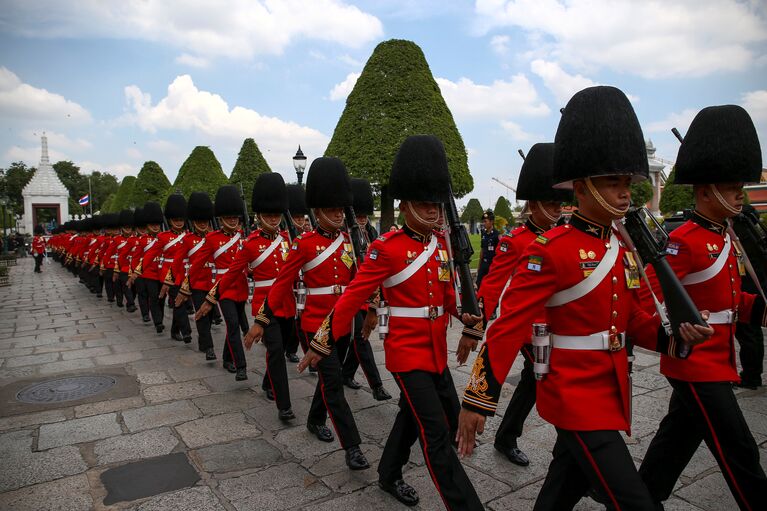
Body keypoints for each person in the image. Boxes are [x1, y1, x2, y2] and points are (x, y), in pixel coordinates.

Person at [456, 86, 713, 511]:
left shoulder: (623, 245)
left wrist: (675, 338)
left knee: (561, 487)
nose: (626, 192)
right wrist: (479, 397)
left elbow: (632, 321)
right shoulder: (551, 249)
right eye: (612, 182)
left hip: (609, 390)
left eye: (626, 182)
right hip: (573, 395)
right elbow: (508, 324)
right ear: (582, 187)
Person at [299, 136, 485, 509]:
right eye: (424, 205)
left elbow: (447, 297)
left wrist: (465, 320)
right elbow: (352, 296)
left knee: (414, 416)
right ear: (404, 205)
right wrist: (322, 342)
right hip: (406, 354)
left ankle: (388, 473)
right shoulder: (386, 248)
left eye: (436, 205)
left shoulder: (441, 245)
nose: (433, 212)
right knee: (435, 434)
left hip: (435, 353)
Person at [637, 105, 767, 511]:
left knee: (677, 436)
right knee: (740, 449)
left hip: (715, 359)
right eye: (732, 189)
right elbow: (651, 297)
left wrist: (760, 312)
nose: (739, 195)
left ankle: (637, 497)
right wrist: (677, 328)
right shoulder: (685, 239)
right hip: (694, 361)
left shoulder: (726, 235)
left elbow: (728, 301)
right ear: (707, 191)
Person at [245, 157, 370, 472]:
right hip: (315, 325)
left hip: (344, 322)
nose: (339, 214)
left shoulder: (351, 242)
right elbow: (279, 286)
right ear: (318, 211)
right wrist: (261, 319)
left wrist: (368, 311)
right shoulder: (303, 244)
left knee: (331, 380)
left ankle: (315, 420)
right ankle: (352, 446)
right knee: (334, 383)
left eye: (341, 209)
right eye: (332, 210)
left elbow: (361, 281)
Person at [458, 142, 572, 468]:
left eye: (558, 203)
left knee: (533, 383)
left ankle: (507, 436)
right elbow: (492, 286)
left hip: (557, 328)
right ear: (534, 205)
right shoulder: (515, 240)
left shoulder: (565, 236)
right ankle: (524, 442)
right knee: (546, 380)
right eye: (550, 203)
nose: (557, 209)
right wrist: (474, 327)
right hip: (526, 329)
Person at [206, 173, 296, 421]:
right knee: (275, 350)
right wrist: (210, 299)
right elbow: (231, 275)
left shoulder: (288, 240)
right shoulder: (250, 244)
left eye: (276, 215)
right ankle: (284, 405)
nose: (273, 219)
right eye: (268, 215)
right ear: (258, 216)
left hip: (288, 304)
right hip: (265, 306)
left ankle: (269, 383)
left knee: (282, 348)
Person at [339, 177, 391, 402]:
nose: (361, 219)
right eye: (357, 216)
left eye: (363, 215)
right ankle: (377, 385)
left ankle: (346, 373)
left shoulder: (372, 235)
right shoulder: (343, 236)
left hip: (370, 296)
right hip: (351, 295)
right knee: (361, 339)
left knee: (357, 340)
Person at [191, 185, 249, 381]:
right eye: (229, 217)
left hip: (241, 286)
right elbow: (197, 265)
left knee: (234, 327)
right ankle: (241, 365)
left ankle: (226, 358)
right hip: (223, 288)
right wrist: (186, 287)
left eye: (235, 217)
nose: (233, 220)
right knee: (232, 324)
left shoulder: (244, 237)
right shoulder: (212, 239)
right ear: (221, 218)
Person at [175, 192, 218, 361]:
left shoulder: (215, 238)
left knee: (212, 315)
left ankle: (203, 341)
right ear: (193, 222)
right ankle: (209, 347)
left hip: (213, 281)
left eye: (204, 221)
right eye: (199, 221)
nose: (202, 224)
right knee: (202, 314)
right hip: (197, 282)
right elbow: (177, 262)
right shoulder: (187, 240)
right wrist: (179, 284)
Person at [157, 194, 193, 344]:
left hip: (186, 272)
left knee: (182, 302)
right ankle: (186, 332)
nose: (179, 222)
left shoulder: (189, 236)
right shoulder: (163, 237)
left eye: (181, 219)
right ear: (170, 220)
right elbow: (154, 255)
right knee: (178, 302)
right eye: (176, 220)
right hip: (170, 274)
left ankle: (174, 330)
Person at [129, 202, 166, 333]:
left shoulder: (165, 238)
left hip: (162, 272)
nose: (155, 227)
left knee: (161, 299)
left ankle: (159, 317)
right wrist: (136, 272)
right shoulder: (142, 240)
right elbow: (135, 258)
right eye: (152, 225)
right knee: (153, 297)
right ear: (147, 226)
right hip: (148, 273)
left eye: (157, 224)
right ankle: (157, 321)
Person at [115, 209, 138, 313]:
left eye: (129, 227)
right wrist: (117, 268)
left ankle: (130, 302)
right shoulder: (117, 239)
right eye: (126, 227)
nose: (128, 229)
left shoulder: (137, 239)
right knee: (126, 286)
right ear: (122, 228)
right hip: (123, 266)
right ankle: (131, 304)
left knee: (134, 289)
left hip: (134, 267)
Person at [475, 209, 499, 288]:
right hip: (483, 265)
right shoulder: (484, 234)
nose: (483, 223)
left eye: (485, 221)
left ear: (491, 222)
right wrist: (479, 266)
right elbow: (482, 250)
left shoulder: (497, 235)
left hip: (492, 265)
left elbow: (499, 253)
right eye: (483, 221)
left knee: (491, 287)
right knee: (478, 285)